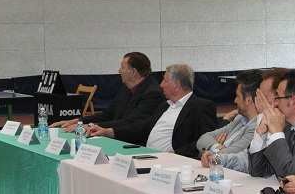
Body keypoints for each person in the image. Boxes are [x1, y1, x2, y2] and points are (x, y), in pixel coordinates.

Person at [87, 64, 216, 158]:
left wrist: (175, 155)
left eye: (165, 80)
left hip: (173, 161)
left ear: (176, 84)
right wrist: (109, 131)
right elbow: (143, 127)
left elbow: (205, 139)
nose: (161, 85)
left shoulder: (201, 106)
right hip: (147, 154)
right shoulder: (164, 106)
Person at [51, 52, 162, 133]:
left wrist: (88, 126)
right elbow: (108, 114)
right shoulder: (126, 88)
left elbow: (129, 122)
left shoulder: (152, 94)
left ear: (133, 72)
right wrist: (78, 121)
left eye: (122, 67)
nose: (119, 71)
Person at [203, 68, 286, 173]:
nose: (258, 101)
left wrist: (277, 133)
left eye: (262, 97)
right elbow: (248, 161)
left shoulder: (286, 128)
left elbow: (286, 170)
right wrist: (217, 158)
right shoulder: (257, 121)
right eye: (257, 96)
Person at [197, 69, 261, 164]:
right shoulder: (239, 118)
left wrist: (210, 150)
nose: (235, 100)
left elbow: (230, 155)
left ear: (248, 100)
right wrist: (217, 146)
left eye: (237, 96)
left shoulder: (257, 127)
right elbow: (202, 139)